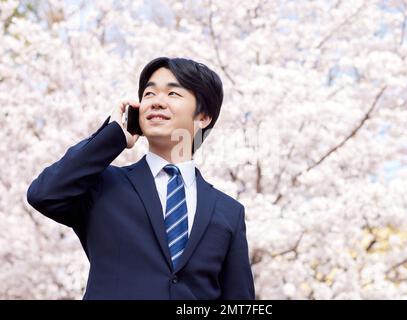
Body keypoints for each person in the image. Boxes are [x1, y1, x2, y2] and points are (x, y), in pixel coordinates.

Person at [27, 57, 255, 300]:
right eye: (149, 94)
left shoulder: (229, 212)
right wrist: (112, 135)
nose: (157, 102)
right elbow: (44, 194)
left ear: (203, 117)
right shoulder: (101, 186)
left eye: (173, 94)